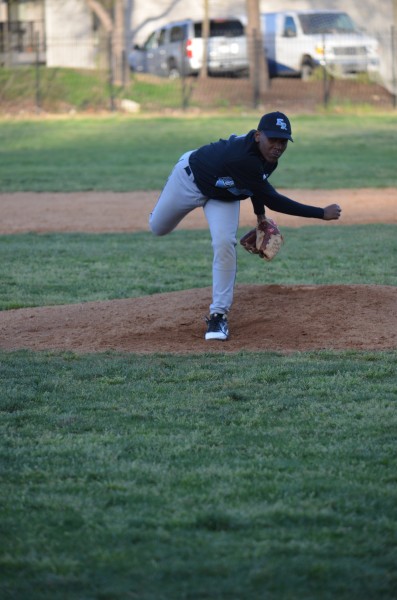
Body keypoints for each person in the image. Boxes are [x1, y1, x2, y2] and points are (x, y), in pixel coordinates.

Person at [149, 111, 341, 341]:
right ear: (258, 136)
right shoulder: (241, 157)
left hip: (224, 196)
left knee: (224, 243)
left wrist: (260, 217)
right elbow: (273, 198)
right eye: (274, 139)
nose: (278, 146)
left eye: (283, 141)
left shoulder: (269, 156)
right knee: (158, 227)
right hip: (190, 180)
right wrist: (321, 213)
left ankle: (218, 315)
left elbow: (257, 185)